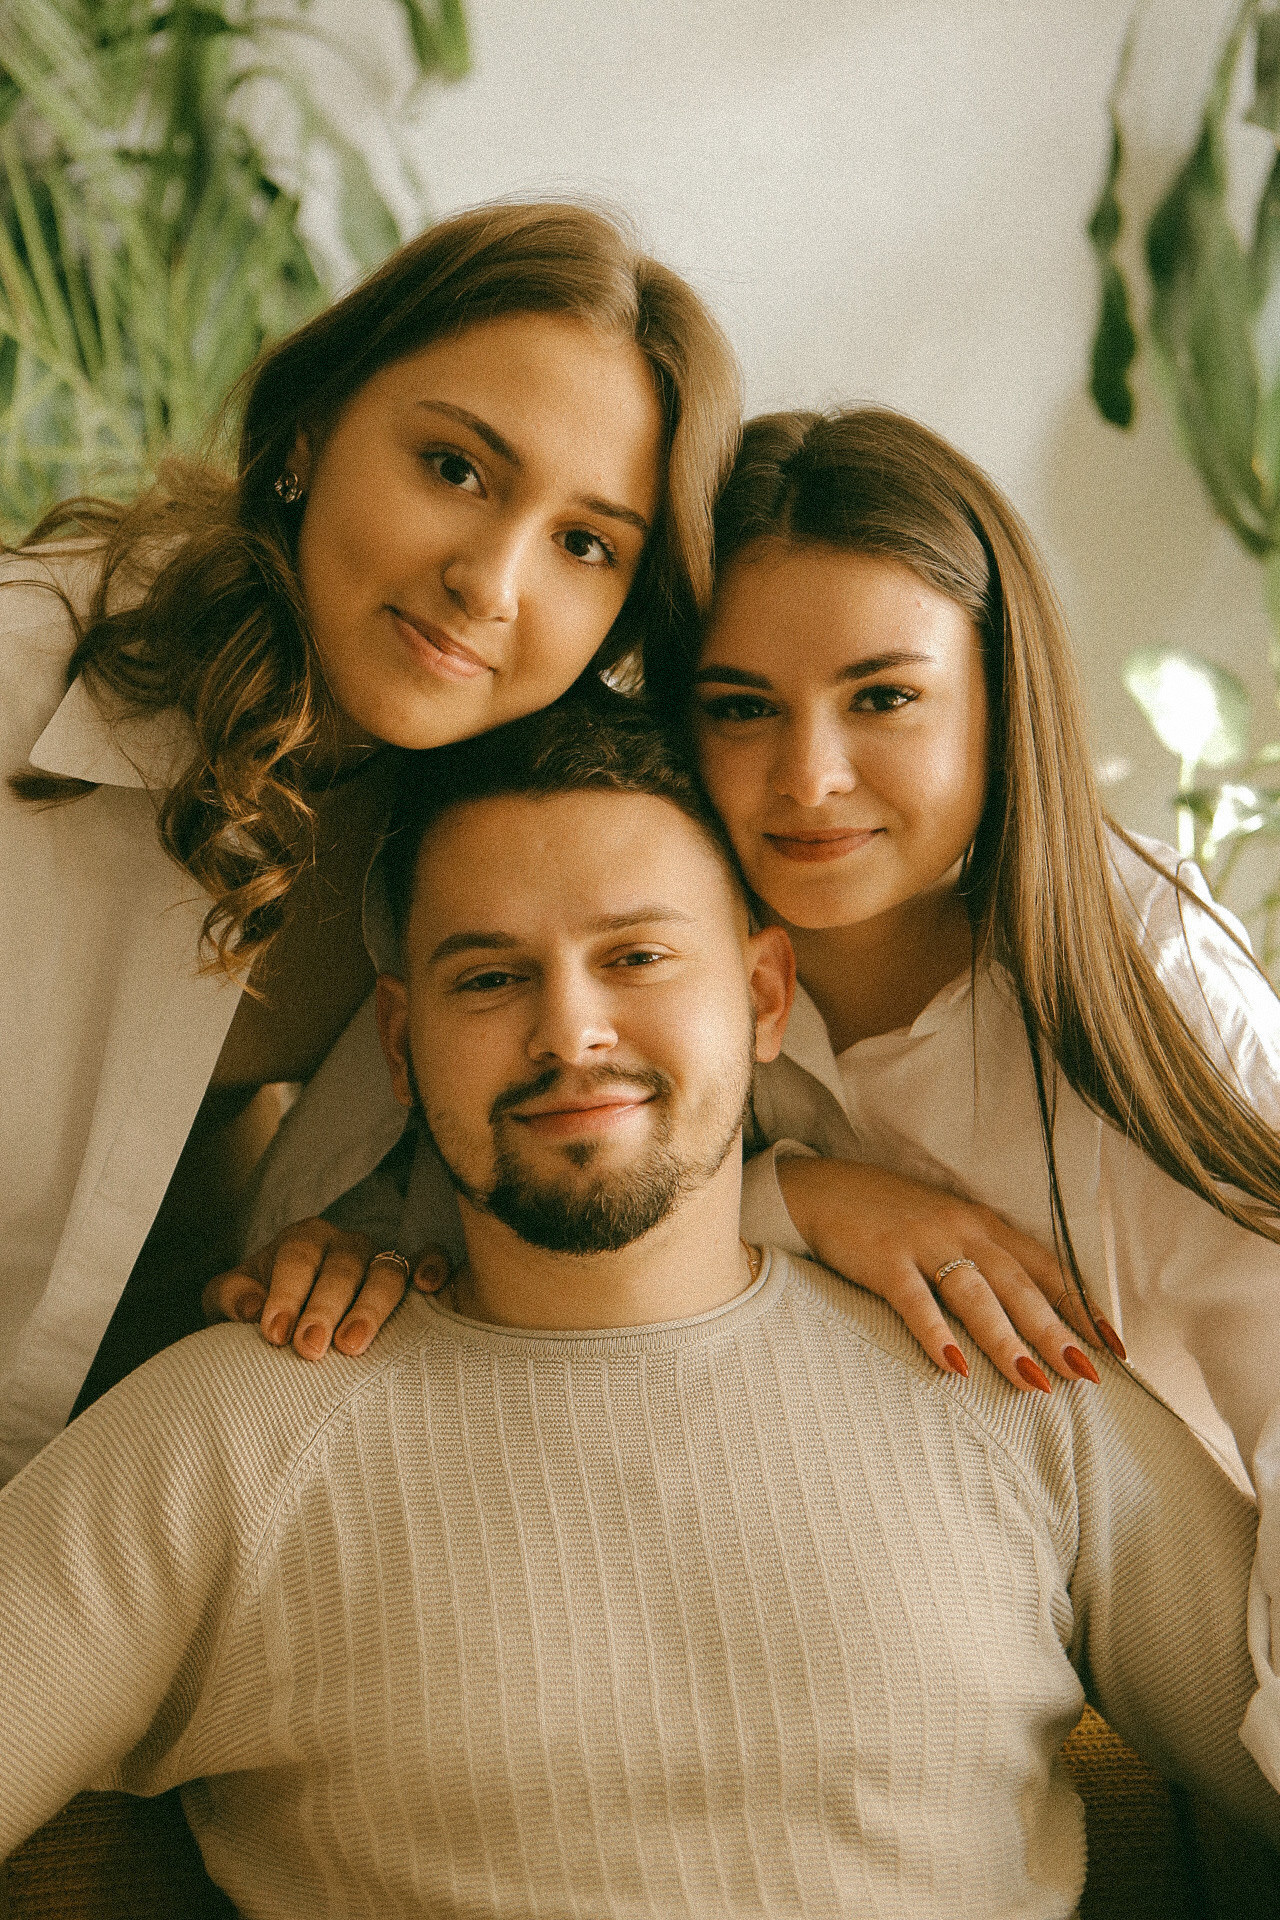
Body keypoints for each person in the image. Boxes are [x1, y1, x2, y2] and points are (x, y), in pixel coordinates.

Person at [0, 691, 1275, 1919]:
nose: (572, 1032)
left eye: (638, 956)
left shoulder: (1013, 1381)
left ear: (765, 996)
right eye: (490, 978)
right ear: (400, 1042)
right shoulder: (225, 1438)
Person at [0, 197, 742, 1483]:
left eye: (583, 543)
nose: (491, 582)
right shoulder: (22, 686)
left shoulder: (524, 858)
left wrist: (341, 1246)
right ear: (309, 431)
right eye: (455, 468)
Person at [669, 406, 1280, 1788]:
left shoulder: (1146, 980)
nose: (809, 775)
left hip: (1216, 1648)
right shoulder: (655, 949)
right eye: (741, 707)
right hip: (881, 1637)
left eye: (883, 697)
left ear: (1001, 700)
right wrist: (800, 1197)